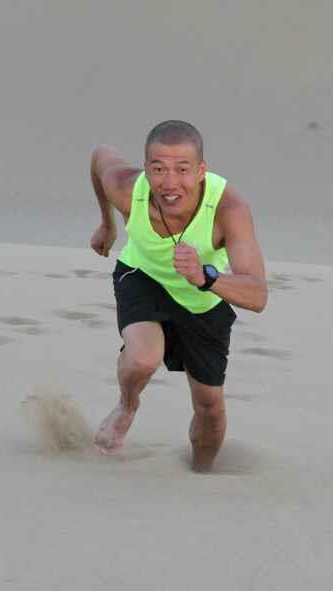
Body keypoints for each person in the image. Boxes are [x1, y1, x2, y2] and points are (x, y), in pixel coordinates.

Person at [89, 120, 267, 472]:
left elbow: (258, 294)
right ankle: (127, 404)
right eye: (158, 169)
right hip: (143, 276)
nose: (169, 183)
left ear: (201, 171)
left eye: (182, 169)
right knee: (143, 357)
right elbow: (100, 156)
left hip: (202, 298)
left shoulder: (228, 210)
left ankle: (201, 475)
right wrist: (107, 224)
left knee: (210, 407)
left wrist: (205, 276)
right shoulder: (126, 188)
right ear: (146, 169)